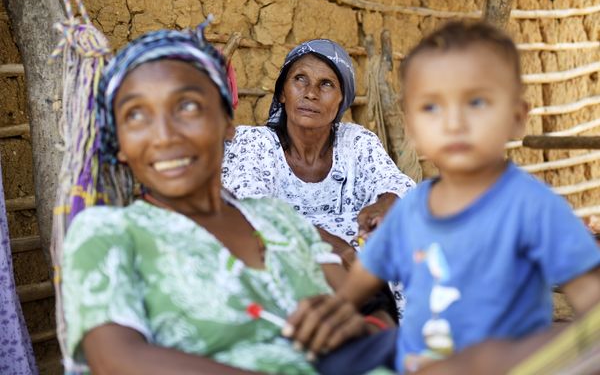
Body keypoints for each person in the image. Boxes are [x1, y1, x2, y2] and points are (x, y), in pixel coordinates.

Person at [60, 23, 390, 374]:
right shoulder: (108, 233)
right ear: (121, 145)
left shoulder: (278, 219)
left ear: (227, 124)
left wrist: (366, 331)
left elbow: (367, 311)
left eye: (187, 107)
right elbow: (118, 360)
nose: (164, 135)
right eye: (136, 115)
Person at [284, 21, 600, 374]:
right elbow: (358, 286)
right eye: (432, 106)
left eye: (476, 102)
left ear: (516, 118)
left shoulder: (532, 210)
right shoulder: (412, 210)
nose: (453, 122)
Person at [222, 39, 415, 318]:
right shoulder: (254, 143)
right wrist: (331, 247)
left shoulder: (356, 142)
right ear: (283, 94)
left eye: (326, 84)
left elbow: (396, 185)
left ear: (341, 101)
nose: (311, 93)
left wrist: (386, 203)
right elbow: (253, 210)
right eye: (300, 79)